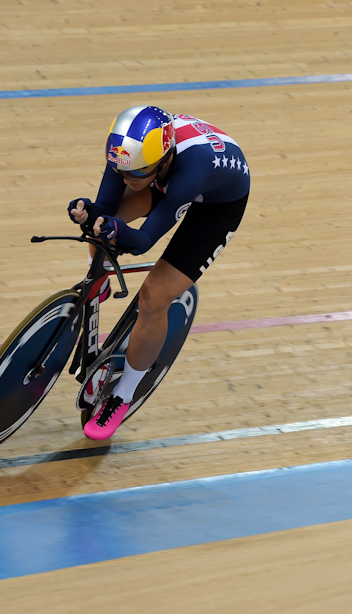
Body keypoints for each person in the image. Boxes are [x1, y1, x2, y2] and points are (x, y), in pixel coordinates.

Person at [67, 106, 250, 440]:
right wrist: (87, 213)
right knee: (100, 230)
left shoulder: (191, 170)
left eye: (135, 173)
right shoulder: (129, 156)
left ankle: (123, 396)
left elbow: (143, 241)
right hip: (164, 180)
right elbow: (104, 210)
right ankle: (101, 282)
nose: (126, 179)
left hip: (217, 205)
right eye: (120, 171)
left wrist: (118, 230)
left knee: (154, 298)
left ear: (164, 159)